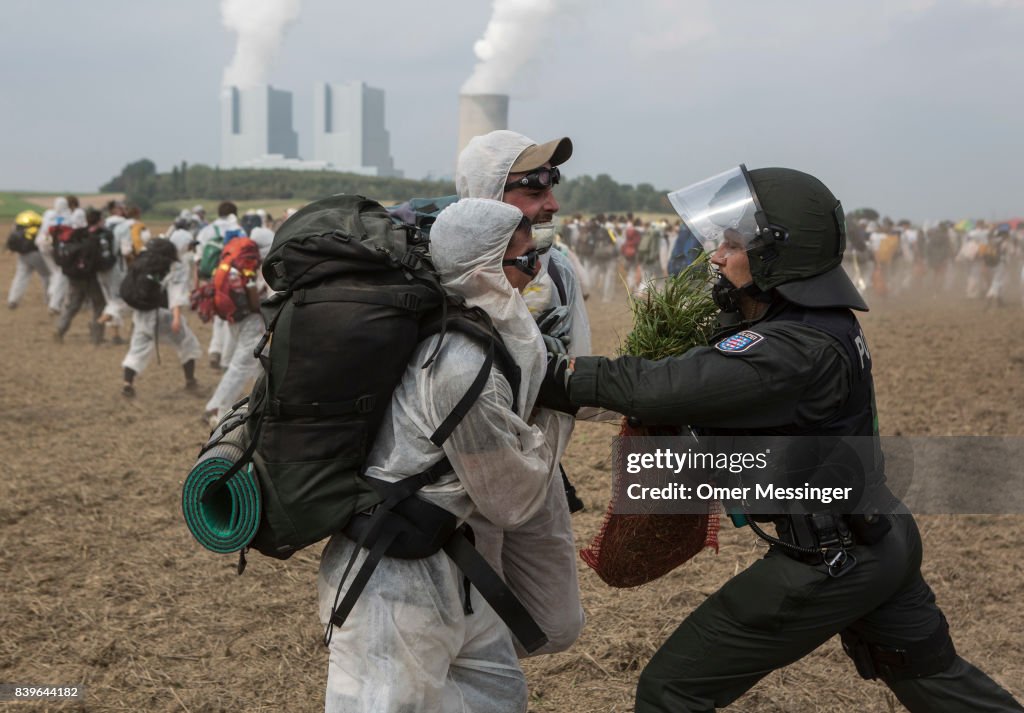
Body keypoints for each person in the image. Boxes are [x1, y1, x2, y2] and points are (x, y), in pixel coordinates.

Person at [537, 165, 1024, 713]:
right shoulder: (822, 321)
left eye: (732, 245)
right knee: (936, 683)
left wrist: (548, 374)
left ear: (777, 256)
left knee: (669, 690)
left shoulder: (794, 348)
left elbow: (659, 387)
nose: (716, 258)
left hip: (831, 556)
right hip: (878, 535)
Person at [317, 199, 555, 712]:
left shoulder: (462, 333)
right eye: (528, 261)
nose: (537, 274)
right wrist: (549, 433)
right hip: (393, 584)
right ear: (487, 269)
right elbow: (510, 500)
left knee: (496, 695)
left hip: (446, 563)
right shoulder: (461, 362)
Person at [455, 129, 588, 655]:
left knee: (555, 623)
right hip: (459, 476)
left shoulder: (558, 267)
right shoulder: (440, 270)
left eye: (552, 187)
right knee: (471, 629)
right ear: (489, 194)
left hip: (537, 463)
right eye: (534, 191)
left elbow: (578, 367)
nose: (552, 203)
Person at [120, 235, 201, 398]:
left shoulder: (145, 261)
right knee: (187, 343)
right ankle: (190, 380)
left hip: (142, 314)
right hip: (162, 315)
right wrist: (177, 318)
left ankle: (127, 384)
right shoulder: (173, 267)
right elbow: (175, 295)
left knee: (137, 349)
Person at [193, 201, 247, 370]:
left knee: (217, 311)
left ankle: (214, 350)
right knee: (230, 313)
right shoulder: (238, 229)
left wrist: (198, 280)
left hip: (212, 276)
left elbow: (198, 257)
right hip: (231, 276)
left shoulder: (207, 230)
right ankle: (224, 355)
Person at [54, 207, 108, 344]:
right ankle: (97, 337)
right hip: (89, 277)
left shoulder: (76, 234)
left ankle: (60, 329)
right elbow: (98, 259)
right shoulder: (94, 237)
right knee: (99, 304)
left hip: (74, 275)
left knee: (73, 304)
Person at [6, 210, 51, 309]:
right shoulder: (38, 226)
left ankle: (13, 299)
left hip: (23, 255)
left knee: (20, 277)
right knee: (47, 276)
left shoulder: (19, 225)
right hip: (36, 254)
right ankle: (49, 300)